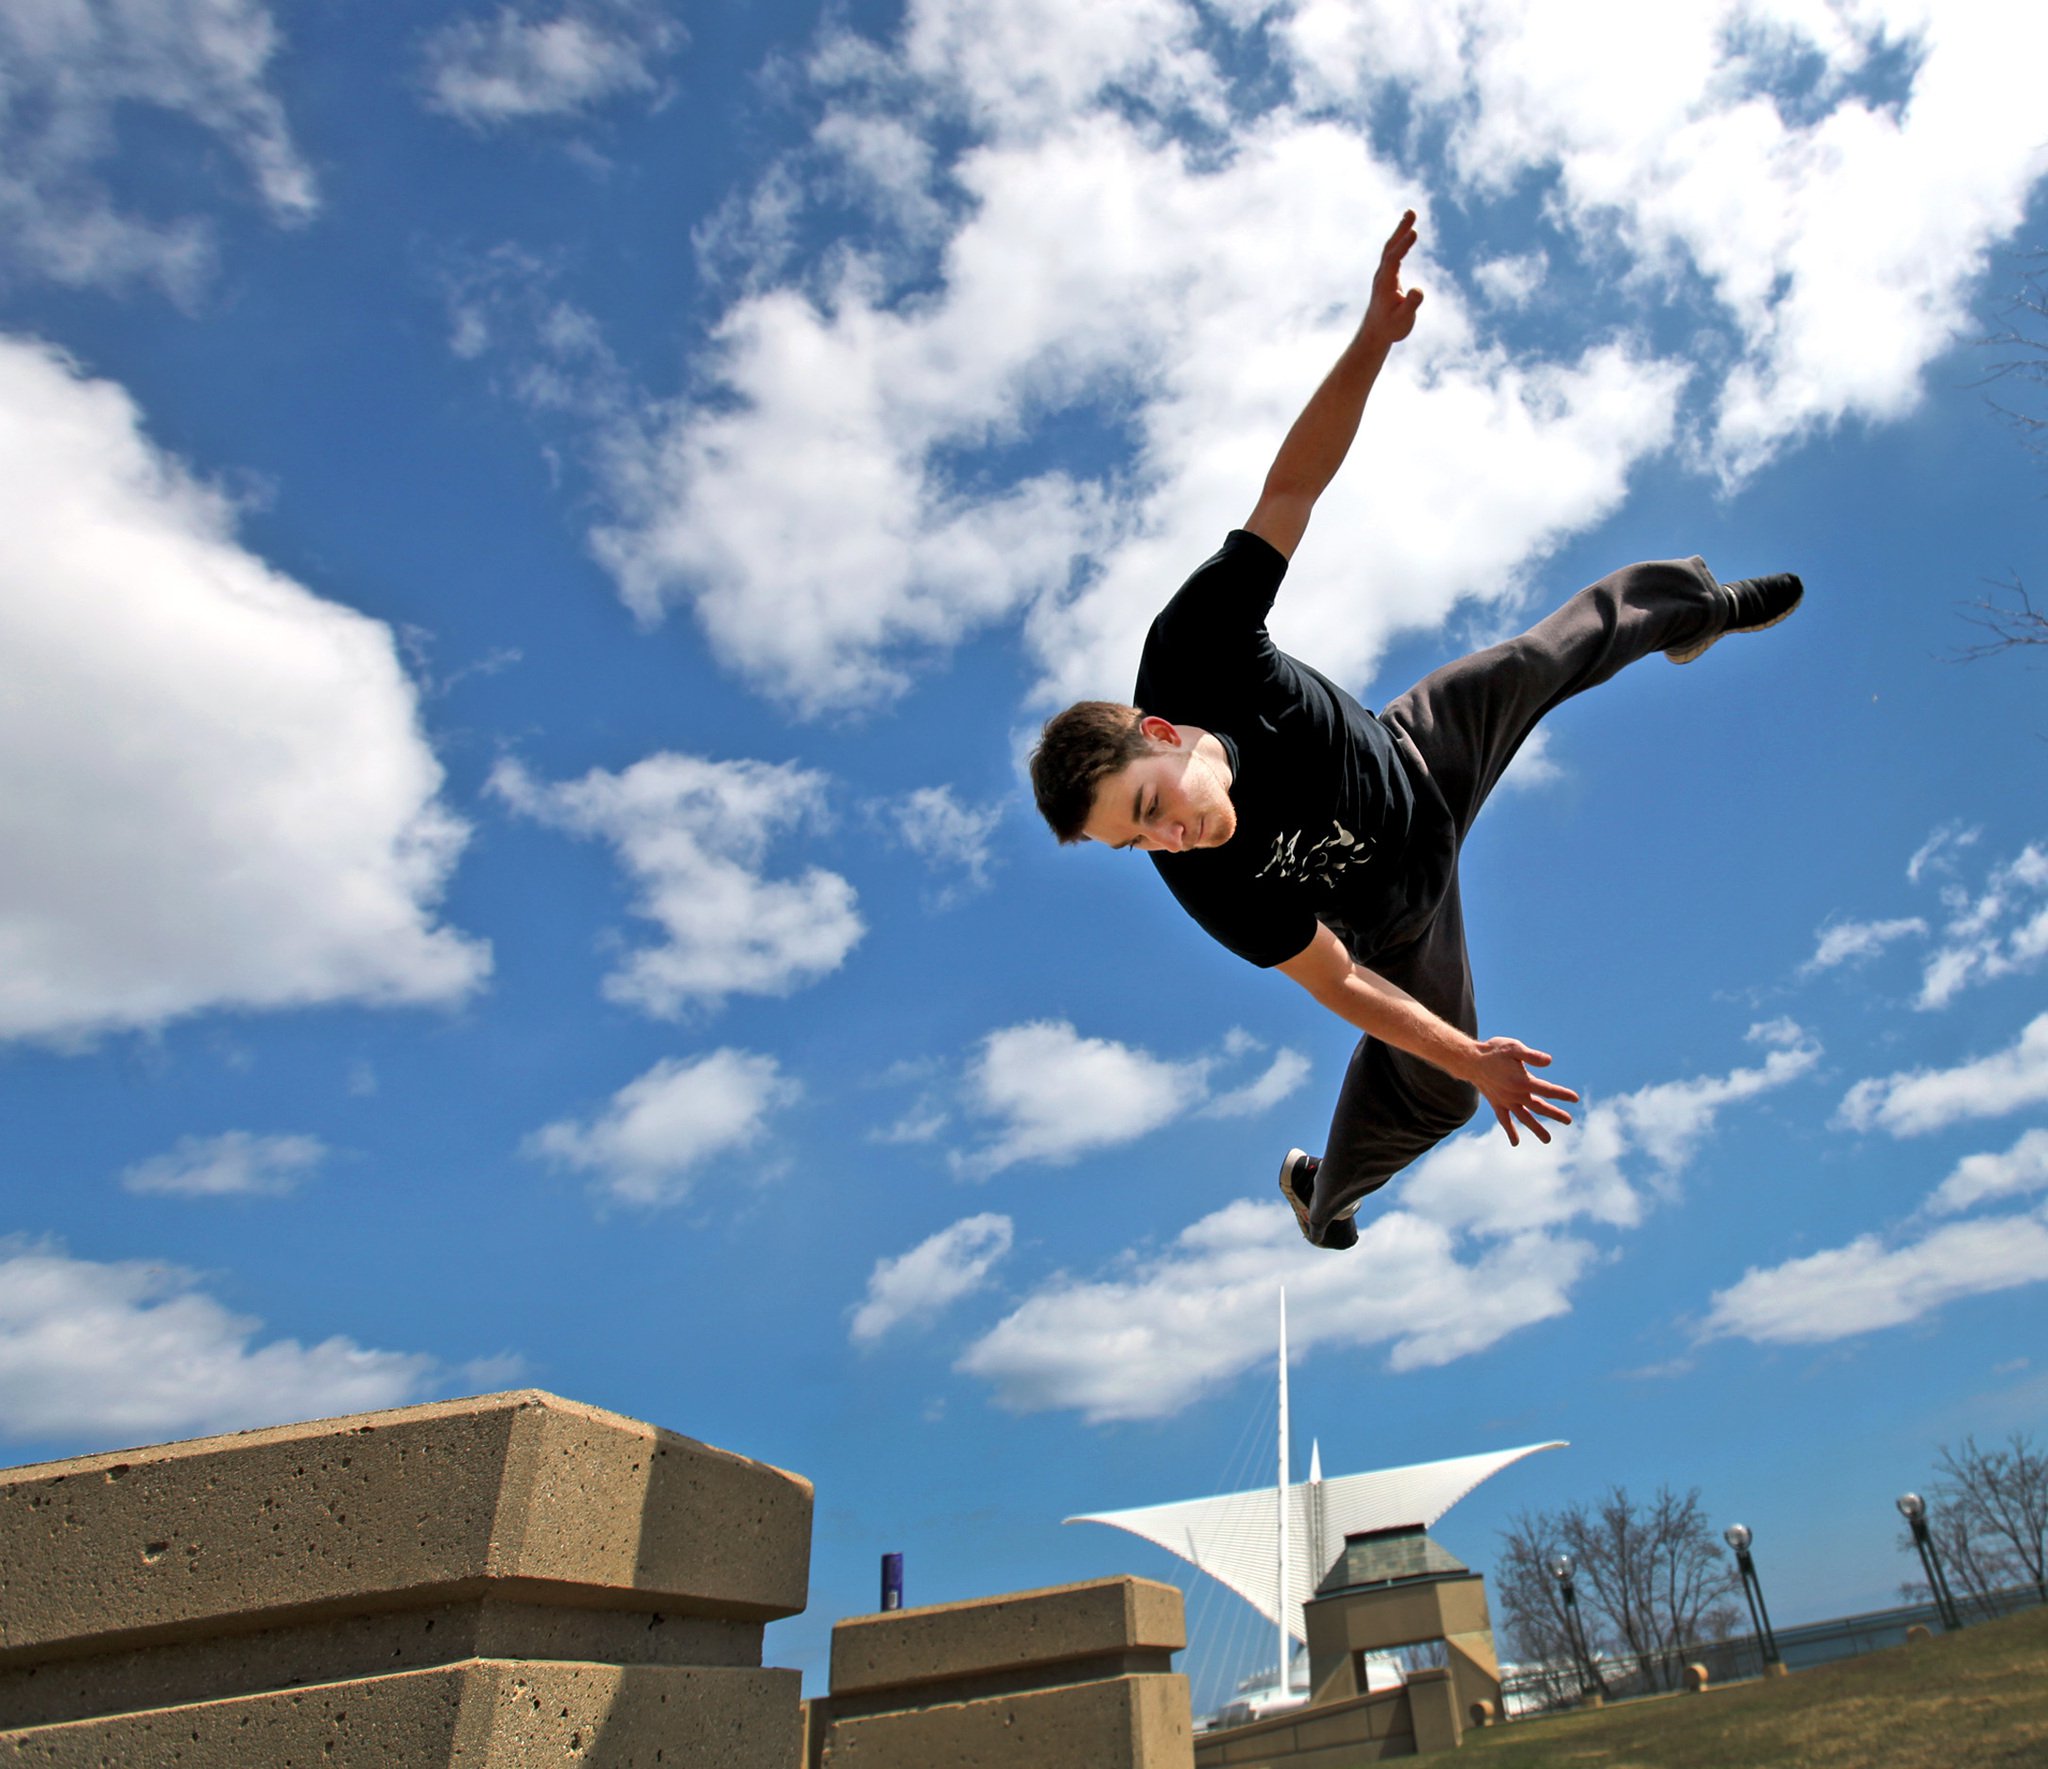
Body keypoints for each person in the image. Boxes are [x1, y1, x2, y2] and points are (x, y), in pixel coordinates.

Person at [1028, 211, 1802, 1250]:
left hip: (1411, 752)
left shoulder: (1197, 643)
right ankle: (1326, 1194)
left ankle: (1697, 609)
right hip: (1394, 918)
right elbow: (1339, 981)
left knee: (1543, 655)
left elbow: (1291, 487)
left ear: (1161, 733)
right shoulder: (1208, 884)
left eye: (1151, 808)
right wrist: (1472, 1062)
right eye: (1139, 845)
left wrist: (1369, 344)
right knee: (1439, 1087)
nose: (1168, 840)